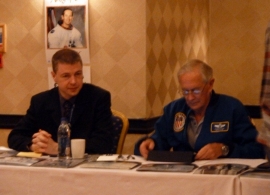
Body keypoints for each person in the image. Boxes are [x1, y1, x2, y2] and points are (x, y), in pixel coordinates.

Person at [134, 59, 265, 160]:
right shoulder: (174, 109)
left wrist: (224, 149)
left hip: (220, 180)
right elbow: (158, 140)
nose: (190, 97)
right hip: (183, 180)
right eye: (185, 91)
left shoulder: (231, 108)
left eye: (196, 90)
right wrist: (148, 144)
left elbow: (257, 150)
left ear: (210, 84)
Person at [8, 48, 113, 155]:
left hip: (87, 168)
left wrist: (60, 149)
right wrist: (34, 145)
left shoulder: (98, 98)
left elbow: (104, 144)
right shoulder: (40, 101)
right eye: (66, 76)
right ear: (54, 76)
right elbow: (15, 137)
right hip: (49, 169)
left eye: (77, 74)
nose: (73, 81)